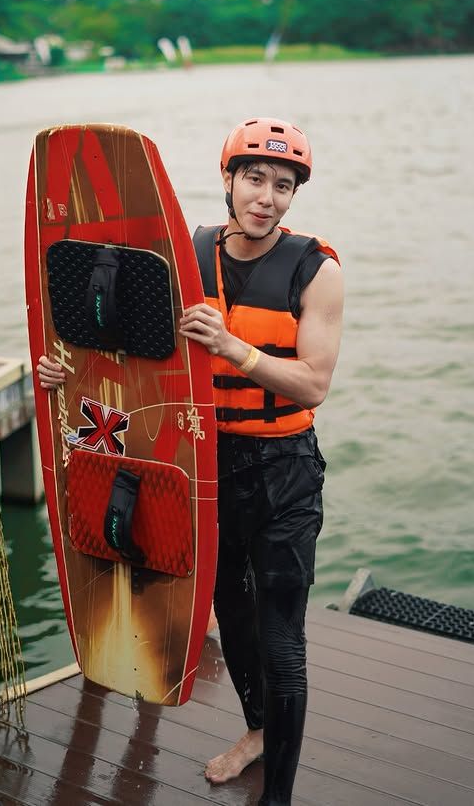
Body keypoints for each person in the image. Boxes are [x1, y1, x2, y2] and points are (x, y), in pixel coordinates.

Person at [37, 117, 343, 806]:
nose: (266, 197)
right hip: (205, 459)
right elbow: (123, 348)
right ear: (228, 178)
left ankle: (278, 796)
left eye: (283, 185)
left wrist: (234, 348)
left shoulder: (317, 270)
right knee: (228, 610)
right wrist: (65, 371)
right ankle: (258, 730)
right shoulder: (183, 254)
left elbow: (314, 383)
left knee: (281, 637)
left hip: (285, 470)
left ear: (294, 194)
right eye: (255, 179)